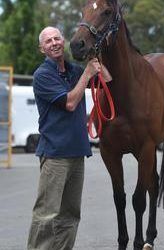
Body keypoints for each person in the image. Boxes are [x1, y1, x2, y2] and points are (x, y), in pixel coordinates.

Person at [27, 26, 111, 250]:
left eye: (57, 38)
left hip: (76, 153)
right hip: (54, 155)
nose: (54, 43)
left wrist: (95, 57)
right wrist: (87, 73)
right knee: (47, 215)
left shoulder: (73, 71)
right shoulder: (42, 75)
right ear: (42, 48)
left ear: (63, 41)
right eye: (48, 41)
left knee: (70, 215)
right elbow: (70, 103)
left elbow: (107, 79)